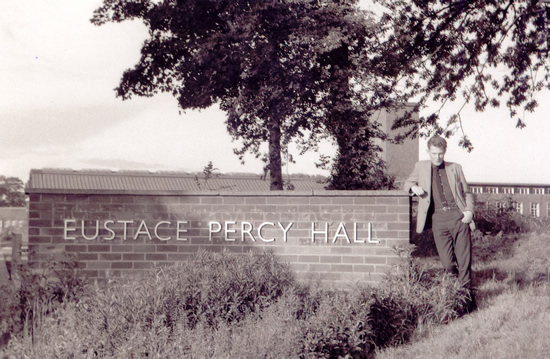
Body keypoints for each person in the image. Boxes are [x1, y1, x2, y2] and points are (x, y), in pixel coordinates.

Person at [404, 135, 476, 310]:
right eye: (434, 153)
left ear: (445, 152)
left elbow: (467, 193)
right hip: (438, 219)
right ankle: (453, 295)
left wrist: (469, 211)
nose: (437, 157)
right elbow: (406, 183)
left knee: (464, 261)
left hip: (459, 217)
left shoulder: (455, 168)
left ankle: (466, 303)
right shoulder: (420, 167)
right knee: (447, 263)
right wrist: (412, 188)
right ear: (428, 151)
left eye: (441, 154)